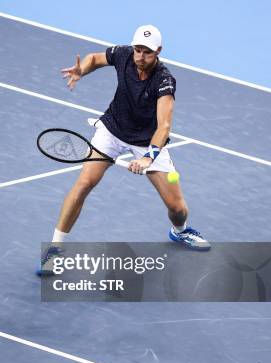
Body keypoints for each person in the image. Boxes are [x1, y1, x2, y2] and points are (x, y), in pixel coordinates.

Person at [39, 25, 210, 276]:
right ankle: (55, 249)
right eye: (138, 50)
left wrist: (147, 157)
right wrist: (82, 70)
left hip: (147, 141)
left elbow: (164, 126)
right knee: (85, 183)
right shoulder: (123, 55)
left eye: (147, 53)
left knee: (177, 208)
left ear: (158, 51)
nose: (140, 57)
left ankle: (180, 231)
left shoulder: (164, 81)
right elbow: (96, 58)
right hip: (112, 130)